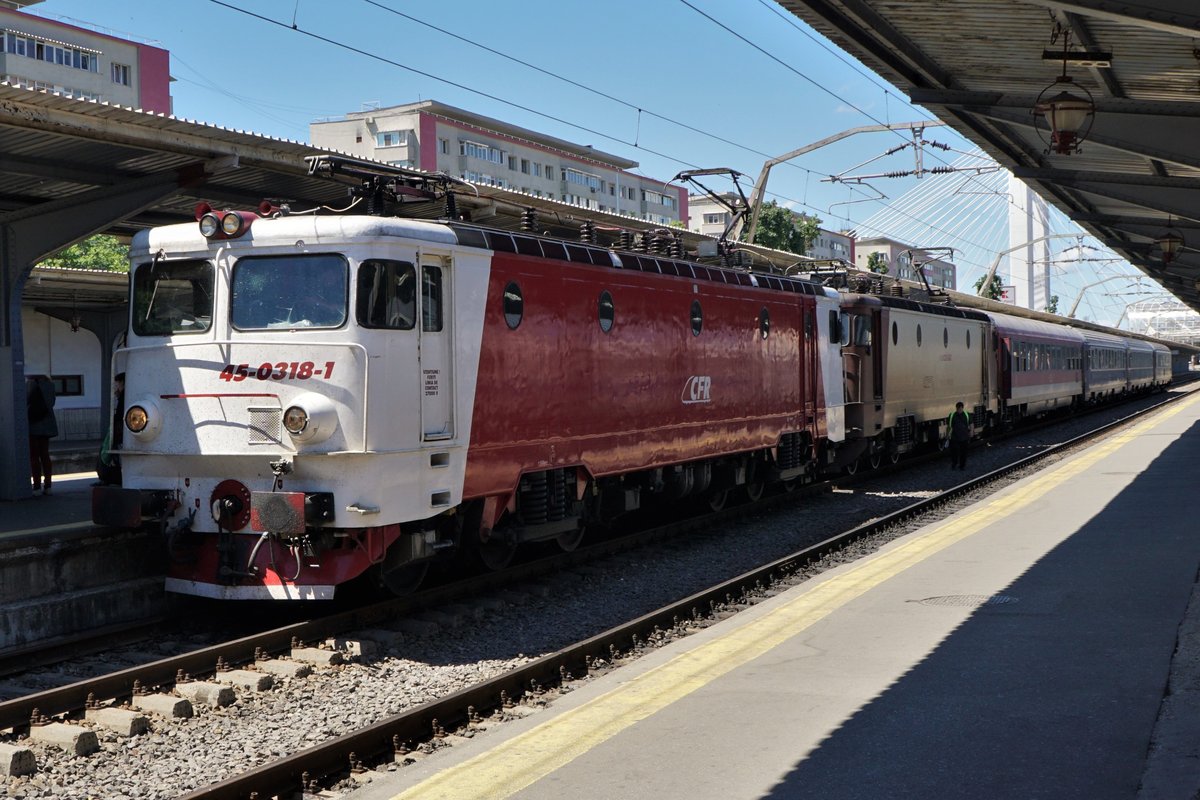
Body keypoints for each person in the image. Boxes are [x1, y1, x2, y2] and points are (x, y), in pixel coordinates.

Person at [26, 374, 58, 495]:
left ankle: (37, 486)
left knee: (34, 456)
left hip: (33, 424)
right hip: (47, 423)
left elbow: (24, 401)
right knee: (45, 455)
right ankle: (48, 485)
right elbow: (52, 403)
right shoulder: (50, 386)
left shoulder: (29, 384)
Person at [96, 372, 124, 486]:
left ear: (122, 383)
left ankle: (105, 476)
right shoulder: (125, 395)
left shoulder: (125, 396)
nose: (116, 388)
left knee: (106, 452)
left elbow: (119, 414)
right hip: (120, 429)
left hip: (120, 429)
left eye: (118, 384)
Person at [946, 401, 971, 471]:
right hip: (954, 437)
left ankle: (962, 466)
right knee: (954, 452)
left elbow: (971, 423)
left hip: (964, 437)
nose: (959, 410)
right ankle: (954, 464)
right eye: (958, 409)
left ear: (962, 408)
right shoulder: (952, 415)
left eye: (960, 408)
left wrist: (971, 432)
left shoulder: (967, 414)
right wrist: (947, 434)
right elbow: (949, 426)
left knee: (963, 452)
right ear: (956, 408)